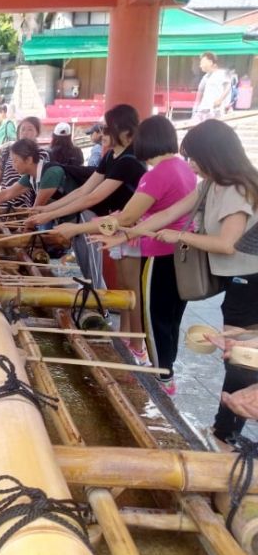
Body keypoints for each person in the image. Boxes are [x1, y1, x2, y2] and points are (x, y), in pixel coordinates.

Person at [101, 119, 258, 443]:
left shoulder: (236, 188)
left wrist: (179, 236)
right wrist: (126, 234)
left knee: (240, 354)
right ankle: (224, 430)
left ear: (213, 155)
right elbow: (166, 215)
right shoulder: (210, 185)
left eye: (195, 157)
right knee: (236, 349)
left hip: (251, 280)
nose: (192, 165)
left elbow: (227, 244)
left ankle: (223, 435)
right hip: (237, 279)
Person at [54, 115, 197, 394]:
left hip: (159, 254)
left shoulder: (157, 174)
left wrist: (79, 227)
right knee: (170, 317)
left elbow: (127, 217)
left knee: (153, 316)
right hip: (181, 254)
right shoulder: (183, 168)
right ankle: (165, 370)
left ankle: (161, 379)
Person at [27, 105, 147, 346]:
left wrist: (50, 214)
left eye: (106, 128)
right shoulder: (111, 156)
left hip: (130, 227)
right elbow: (84, 190)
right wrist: (47, 210)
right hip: (113, 227)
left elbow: (93, 198)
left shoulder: (130, 160)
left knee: (132, 288)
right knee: (124, 286)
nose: (101, 133)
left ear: (123, 131)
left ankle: (136, 344)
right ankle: (126, 336)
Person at [0, 139, 81, 218]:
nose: (12, 165)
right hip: (58, 217)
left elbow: (36, 210)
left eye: (15, 161)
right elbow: (7, 193)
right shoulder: (31, 175)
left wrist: (26, 231)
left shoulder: (51, 174)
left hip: (75, 218)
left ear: (28, 160)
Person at [0, 117, 46, 212]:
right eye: (22, 129)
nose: (25, 133)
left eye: (30, 129)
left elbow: (33, 184)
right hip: (2, 204)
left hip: (25, 206)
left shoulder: (41, 155)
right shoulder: (7, 150)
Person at [192, 52, 231, 122]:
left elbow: (228, 87)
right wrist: (196, 108)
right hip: (202, 109)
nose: (200, 66)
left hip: (215, 110)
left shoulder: (221, 73)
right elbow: (200, 93)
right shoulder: (205, 77)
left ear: (210, 62)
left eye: (202, 62)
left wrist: (220, 100)